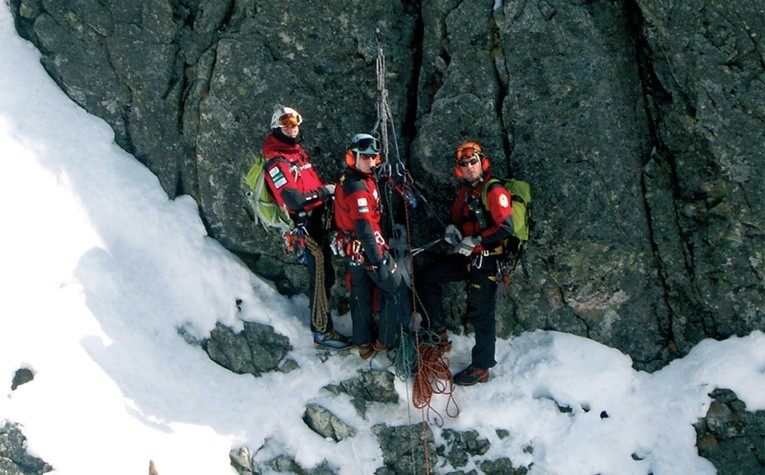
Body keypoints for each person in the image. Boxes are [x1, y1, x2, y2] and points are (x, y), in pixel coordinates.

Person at [419, 141, 514, 385]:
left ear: (482, 162)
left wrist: (477, 240)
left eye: (473, 162)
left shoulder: (494, 191)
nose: (470, 167)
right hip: (467, 256)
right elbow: (459, 218)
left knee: (481, 313)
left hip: (487, 259)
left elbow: (505, 227)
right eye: (464, 164)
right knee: (428, 277)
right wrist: (453, 229)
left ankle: (482, 366)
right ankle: (438, 333)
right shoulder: (465, 192)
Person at [261, 105, 352, 350]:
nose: (291, 129)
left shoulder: (296, 155)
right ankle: (321, 331)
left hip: (318, 224)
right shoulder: (276, 162)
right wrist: (326, 192)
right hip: (307, 228)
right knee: (320, 278)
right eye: (285, 124)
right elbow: (294, 200)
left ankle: (323, 326)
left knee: (326, 275)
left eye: (294, 123)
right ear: (276, 127)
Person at [334, 134, 409, 359]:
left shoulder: (352, 179)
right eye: (364, 157)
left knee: (360, 292)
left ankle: (363, 342)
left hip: (354, 250)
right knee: (396, 289)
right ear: (353, 157)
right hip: (368, 249)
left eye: (373, 157)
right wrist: (379, 262)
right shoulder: (357, 188)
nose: (370, 162)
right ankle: (384, 341)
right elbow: (365, 228)